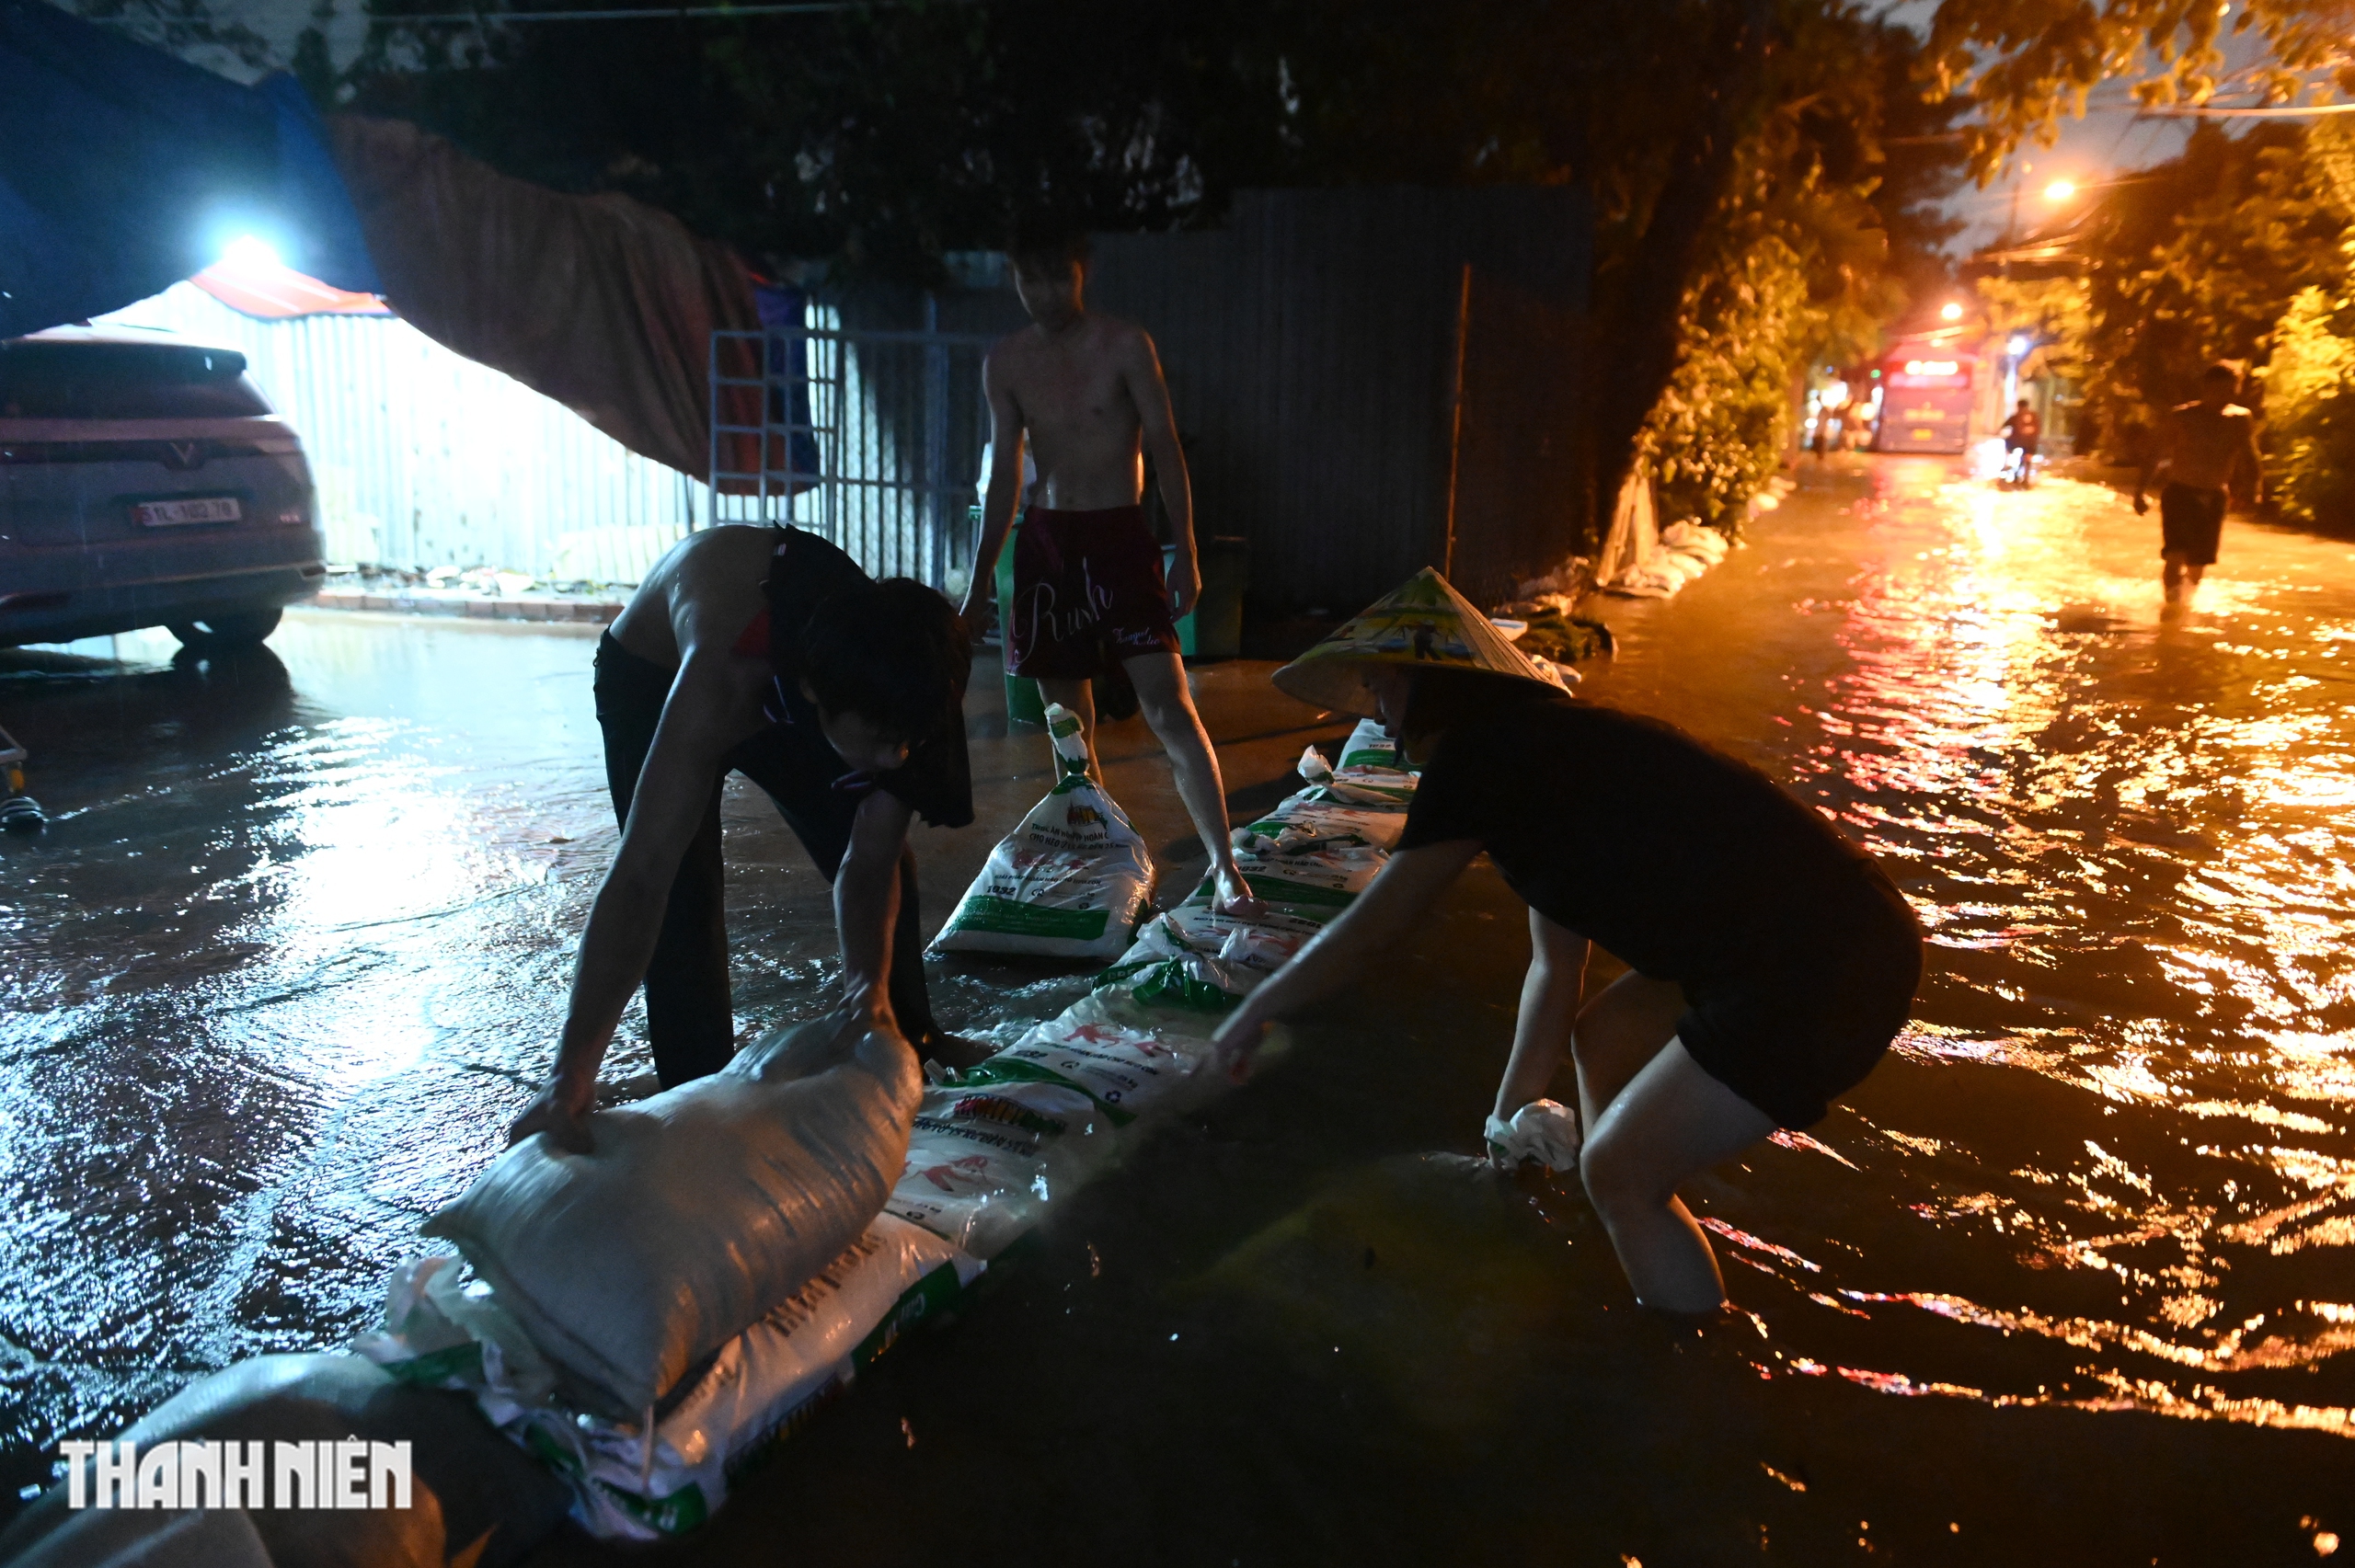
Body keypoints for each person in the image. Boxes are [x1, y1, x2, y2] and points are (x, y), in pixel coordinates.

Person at [1212, 571, 1924, 1315]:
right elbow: (1556, 969)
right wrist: (1505, 1125)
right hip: (1837, 930)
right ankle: (1628, 1220)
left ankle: (1687, 1354)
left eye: (1384, 691)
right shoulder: (1544, 756)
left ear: (1432, 686)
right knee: (1605, 1037)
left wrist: (1255, 1008)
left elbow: (1377, 925)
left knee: (1620, 1172)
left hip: (1819, 960)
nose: (1384, 724)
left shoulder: (1481, 759)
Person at [508, 524, 979, 1152]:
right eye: (877, 740)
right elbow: (642, 872)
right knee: (681, 895)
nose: (894, 757)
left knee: (884, 852)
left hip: (808, 664)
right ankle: (694, 1096)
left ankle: (902, 1034)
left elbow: (869, 859)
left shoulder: (909, 677)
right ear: (816, 701)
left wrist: (866, 991)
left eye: (905, 742)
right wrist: (567, 1080)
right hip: (655, 670)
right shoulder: (722, 682)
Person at [959, 213, 1261, 917]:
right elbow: (1007, 476)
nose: (1042, 291)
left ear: (1081, 273)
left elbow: (1164, 451)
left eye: (1055, 275)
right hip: (1046, 542)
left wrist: (1184, 549)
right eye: (1027, 278)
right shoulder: (1004, 361)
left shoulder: (1126, 345)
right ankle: (1107, 858)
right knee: (1067, 726)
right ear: (1014, 280)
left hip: (1120, 538)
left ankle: (1223, 866)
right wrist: (980, 586)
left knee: (1169, 704)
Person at [2133, 363, 2262, 606]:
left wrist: (2254, 491)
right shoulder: (2183, 416)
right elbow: (2156, 454)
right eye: (2218, 390)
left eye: (2229, 390)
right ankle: (2171, 610)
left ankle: (2184, 606)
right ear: (2206, 388)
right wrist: (2140, 492)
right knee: (2175, 555)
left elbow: (2250, 456)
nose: (2223, 396)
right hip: (2180, 493)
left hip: (2214, 496)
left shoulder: (2240, 420)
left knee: (2198, 563)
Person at [2000, 398, 2040, 486]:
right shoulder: (2034, 416)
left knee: (2008, 449)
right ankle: (2026, 478)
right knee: (2028, 456)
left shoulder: (2016, 415)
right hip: (2031, 442)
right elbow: (2038, 429)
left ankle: (2006, 467)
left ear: (2018, 406)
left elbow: (2005, 425)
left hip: (2017, 441)